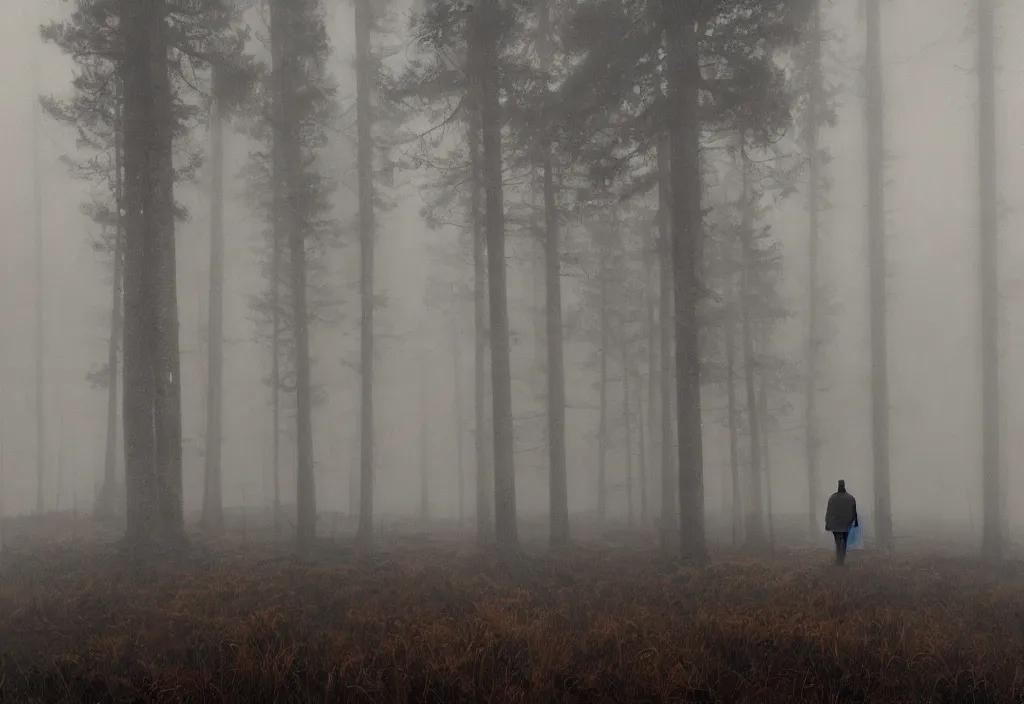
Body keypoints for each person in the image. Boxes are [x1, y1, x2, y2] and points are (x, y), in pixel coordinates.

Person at [824, 479, 858, 565]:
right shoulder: (850, 498)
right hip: (846, 523)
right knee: (845, 540)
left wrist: (827, 521)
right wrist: (855, 521)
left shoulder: (832, 498)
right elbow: (854, 511)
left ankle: (839, 558)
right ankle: (841, 558)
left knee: (838, 541)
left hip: (835, 524)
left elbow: (829, 511)